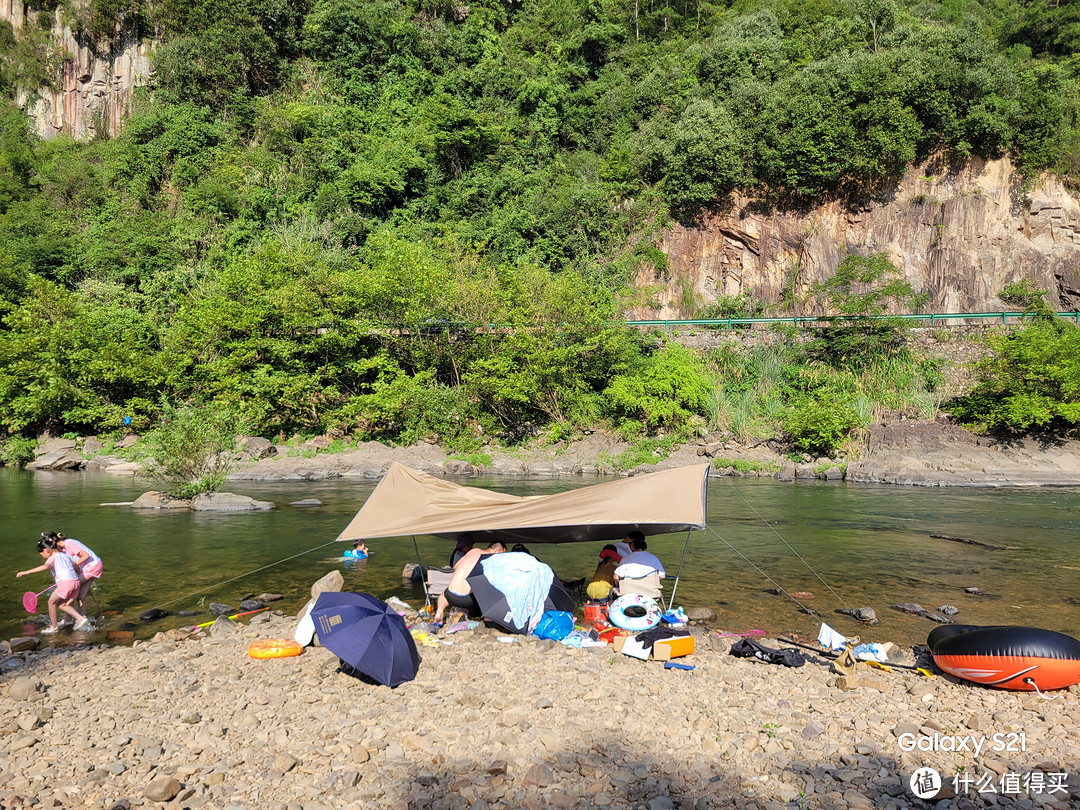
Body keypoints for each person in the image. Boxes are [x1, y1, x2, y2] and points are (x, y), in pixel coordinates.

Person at [17, 538, 90, 633]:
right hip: (76, 582)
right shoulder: (65, 555)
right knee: (63, 605)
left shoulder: (52, 558)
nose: (43, 556)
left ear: (46, 550)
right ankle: (76, 619)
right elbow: (74, 566)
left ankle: (54, 627)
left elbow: (45, 566)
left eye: (42, 554)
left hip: (66, 583)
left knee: (51, 602)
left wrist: (27, 572)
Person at [433, 541, 506, 624]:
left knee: (443, 596)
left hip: (450, 595)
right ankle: (488, 620)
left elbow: (456, 567)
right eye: (502, 554)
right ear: (497, 551)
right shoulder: (491, 558)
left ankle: (439, 612)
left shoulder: (474, 551)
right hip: (467, 599)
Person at [44, 532, 103, 614]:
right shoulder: (63, 549)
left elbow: (86, 555)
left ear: (53, 543)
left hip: (93, 566)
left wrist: (75, 565)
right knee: (80, 596)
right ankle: (82, 619)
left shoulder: (68, 543)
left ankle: (70, 618)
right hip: (91, 567)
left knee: (70, 588)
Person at [612, 532, 666, 601]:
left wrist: (620, 585)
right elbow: (662, 576)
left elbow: (615, 577)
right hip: (650, 594)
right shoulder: (653, 558)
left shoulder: (626, 559)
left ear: (633, 545)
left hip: (629, 595)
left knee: (612, 591)